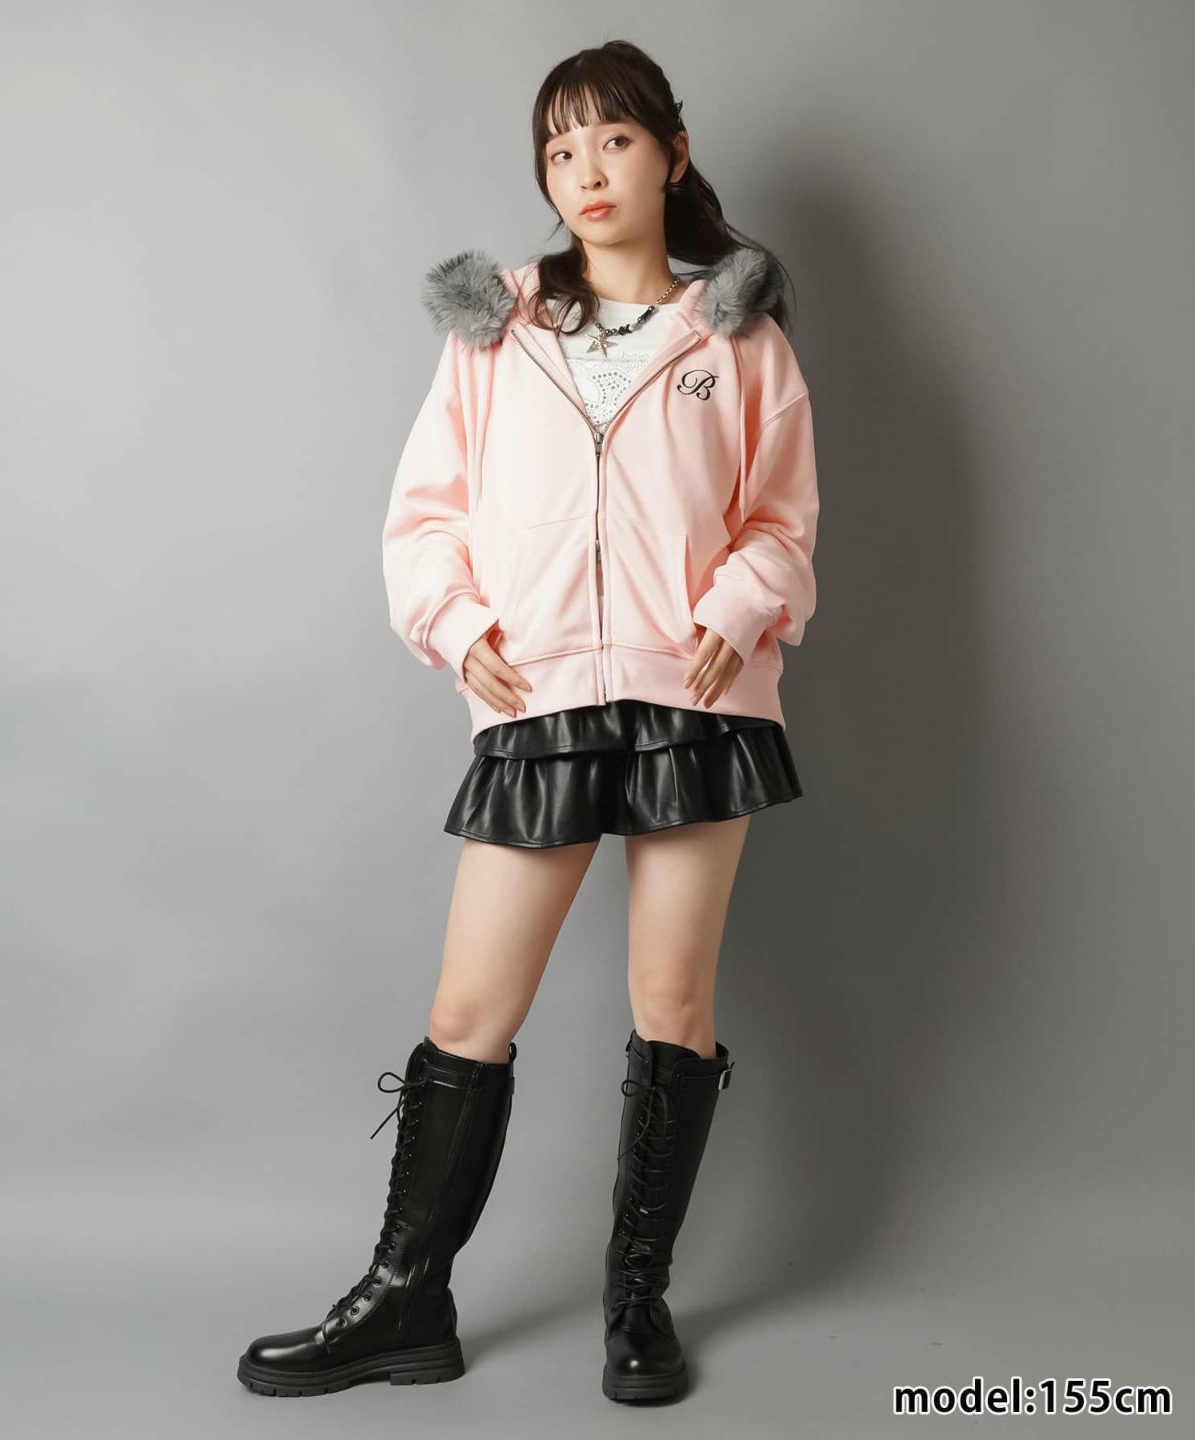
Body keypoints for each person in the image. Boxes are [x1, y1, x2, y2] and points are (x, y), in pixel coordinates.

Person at [237, 38, 821, 1406]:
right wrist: (459, 628)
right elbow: (426, 514)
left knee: (672, 1003)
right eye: (560, 150)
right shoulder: (496, 331)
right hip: (543, 695)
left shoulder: (736, 334)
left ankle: (638, 1303)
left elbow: (782, 522)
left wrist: (740, 606)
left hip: (694, 704)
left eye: (612, 139)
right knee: (468, 1009)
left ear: (671, 154)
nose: (585, 171)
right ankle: (406, 1298)